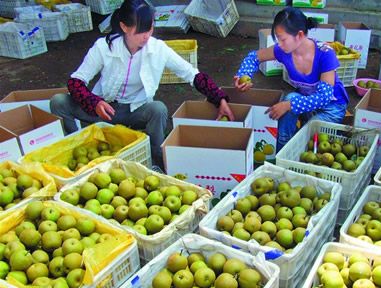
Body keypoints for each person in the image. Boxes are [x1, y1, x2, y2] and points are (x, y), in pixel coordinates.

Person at [51, 0, 234, 167]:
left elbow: (192, 75)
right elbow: (76, 82)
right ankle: (74, 148)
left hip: (134, 110)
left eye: (150, 29)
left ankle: (158, 161)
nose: (146, 36)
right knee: (59, 101)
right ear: (123, 26)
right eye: (140, 31)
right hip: (103, 110)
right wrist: (95, 102)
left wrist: (220, 99)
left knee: (158, 109)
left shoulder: (158, 49)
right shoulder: (104, 47)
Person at [234, 7, 349, 152]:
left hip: (332, 107)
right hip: (306, 104)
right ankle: (281, 149)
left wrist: (289, 105)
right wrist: (244, 75)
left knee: (305, 136)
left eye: (282, 39)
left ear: (299, 35)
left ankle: (291, 147)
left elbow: (324, 98)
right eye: (277, 39)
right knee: (290, 98)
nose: (279, 44)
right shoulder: (283, 51)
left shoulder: (325, 54)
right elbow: (254, 57)